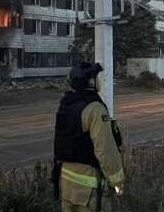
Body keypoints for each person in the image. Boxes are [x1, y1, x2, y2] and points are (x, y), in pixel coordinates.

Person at [52, 62, 125, 212]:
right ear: (89, 81)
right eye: (95, 77)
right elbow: (105, 150)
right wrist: (117, 182)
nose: (98, 81)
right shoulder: (95, 109)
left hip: (66, 185)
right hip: (90, 190)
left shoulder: (66, 105)